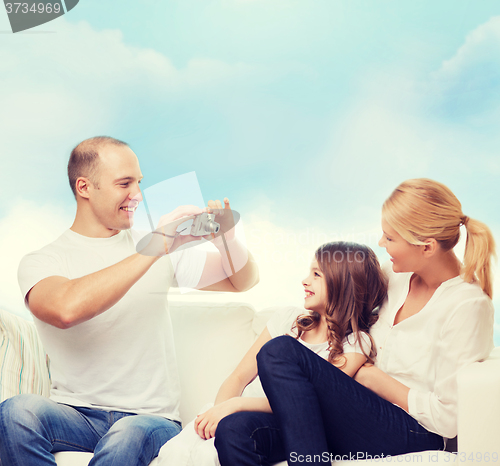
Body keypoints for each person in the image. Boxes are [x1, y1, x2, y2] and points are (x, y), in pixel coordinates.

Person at [0, 136, 259, 466]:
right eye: (125, 183)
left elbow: (243, 281)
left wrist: (228, 238)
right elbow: (66, 309)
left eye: (139, 182)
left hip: (150, 421)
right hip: (75, 415)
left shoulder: (157, 247)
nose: (137, 195)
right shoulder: (42, 261)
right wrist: (156, 246)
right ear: (85, 187)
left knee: (126, 437)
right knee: (16, 412)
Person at [215, 178, 495, 465]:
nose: (381, 243)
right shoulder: (395, 276)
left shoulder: (467, 306)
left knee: (279, 351)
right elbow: (343, 291)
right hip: (355, 411)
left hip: (414, 430)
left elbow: (447, 419)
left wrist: (375, 380)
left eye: (390, 238)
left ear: (426, 247)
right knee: (234, 431)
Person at [157, 241, 388, 466]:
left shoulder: (356, 344)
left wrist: (237, 406)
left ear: (343, 284)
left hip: (280, 424)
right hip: (236, 412)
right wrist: (221, 411)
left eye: (316, 275)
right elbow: (238, 377)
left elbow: (306, 404)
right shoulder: (288, 320)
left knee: (236, 432)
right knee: (188, 450)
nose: (305, 280)